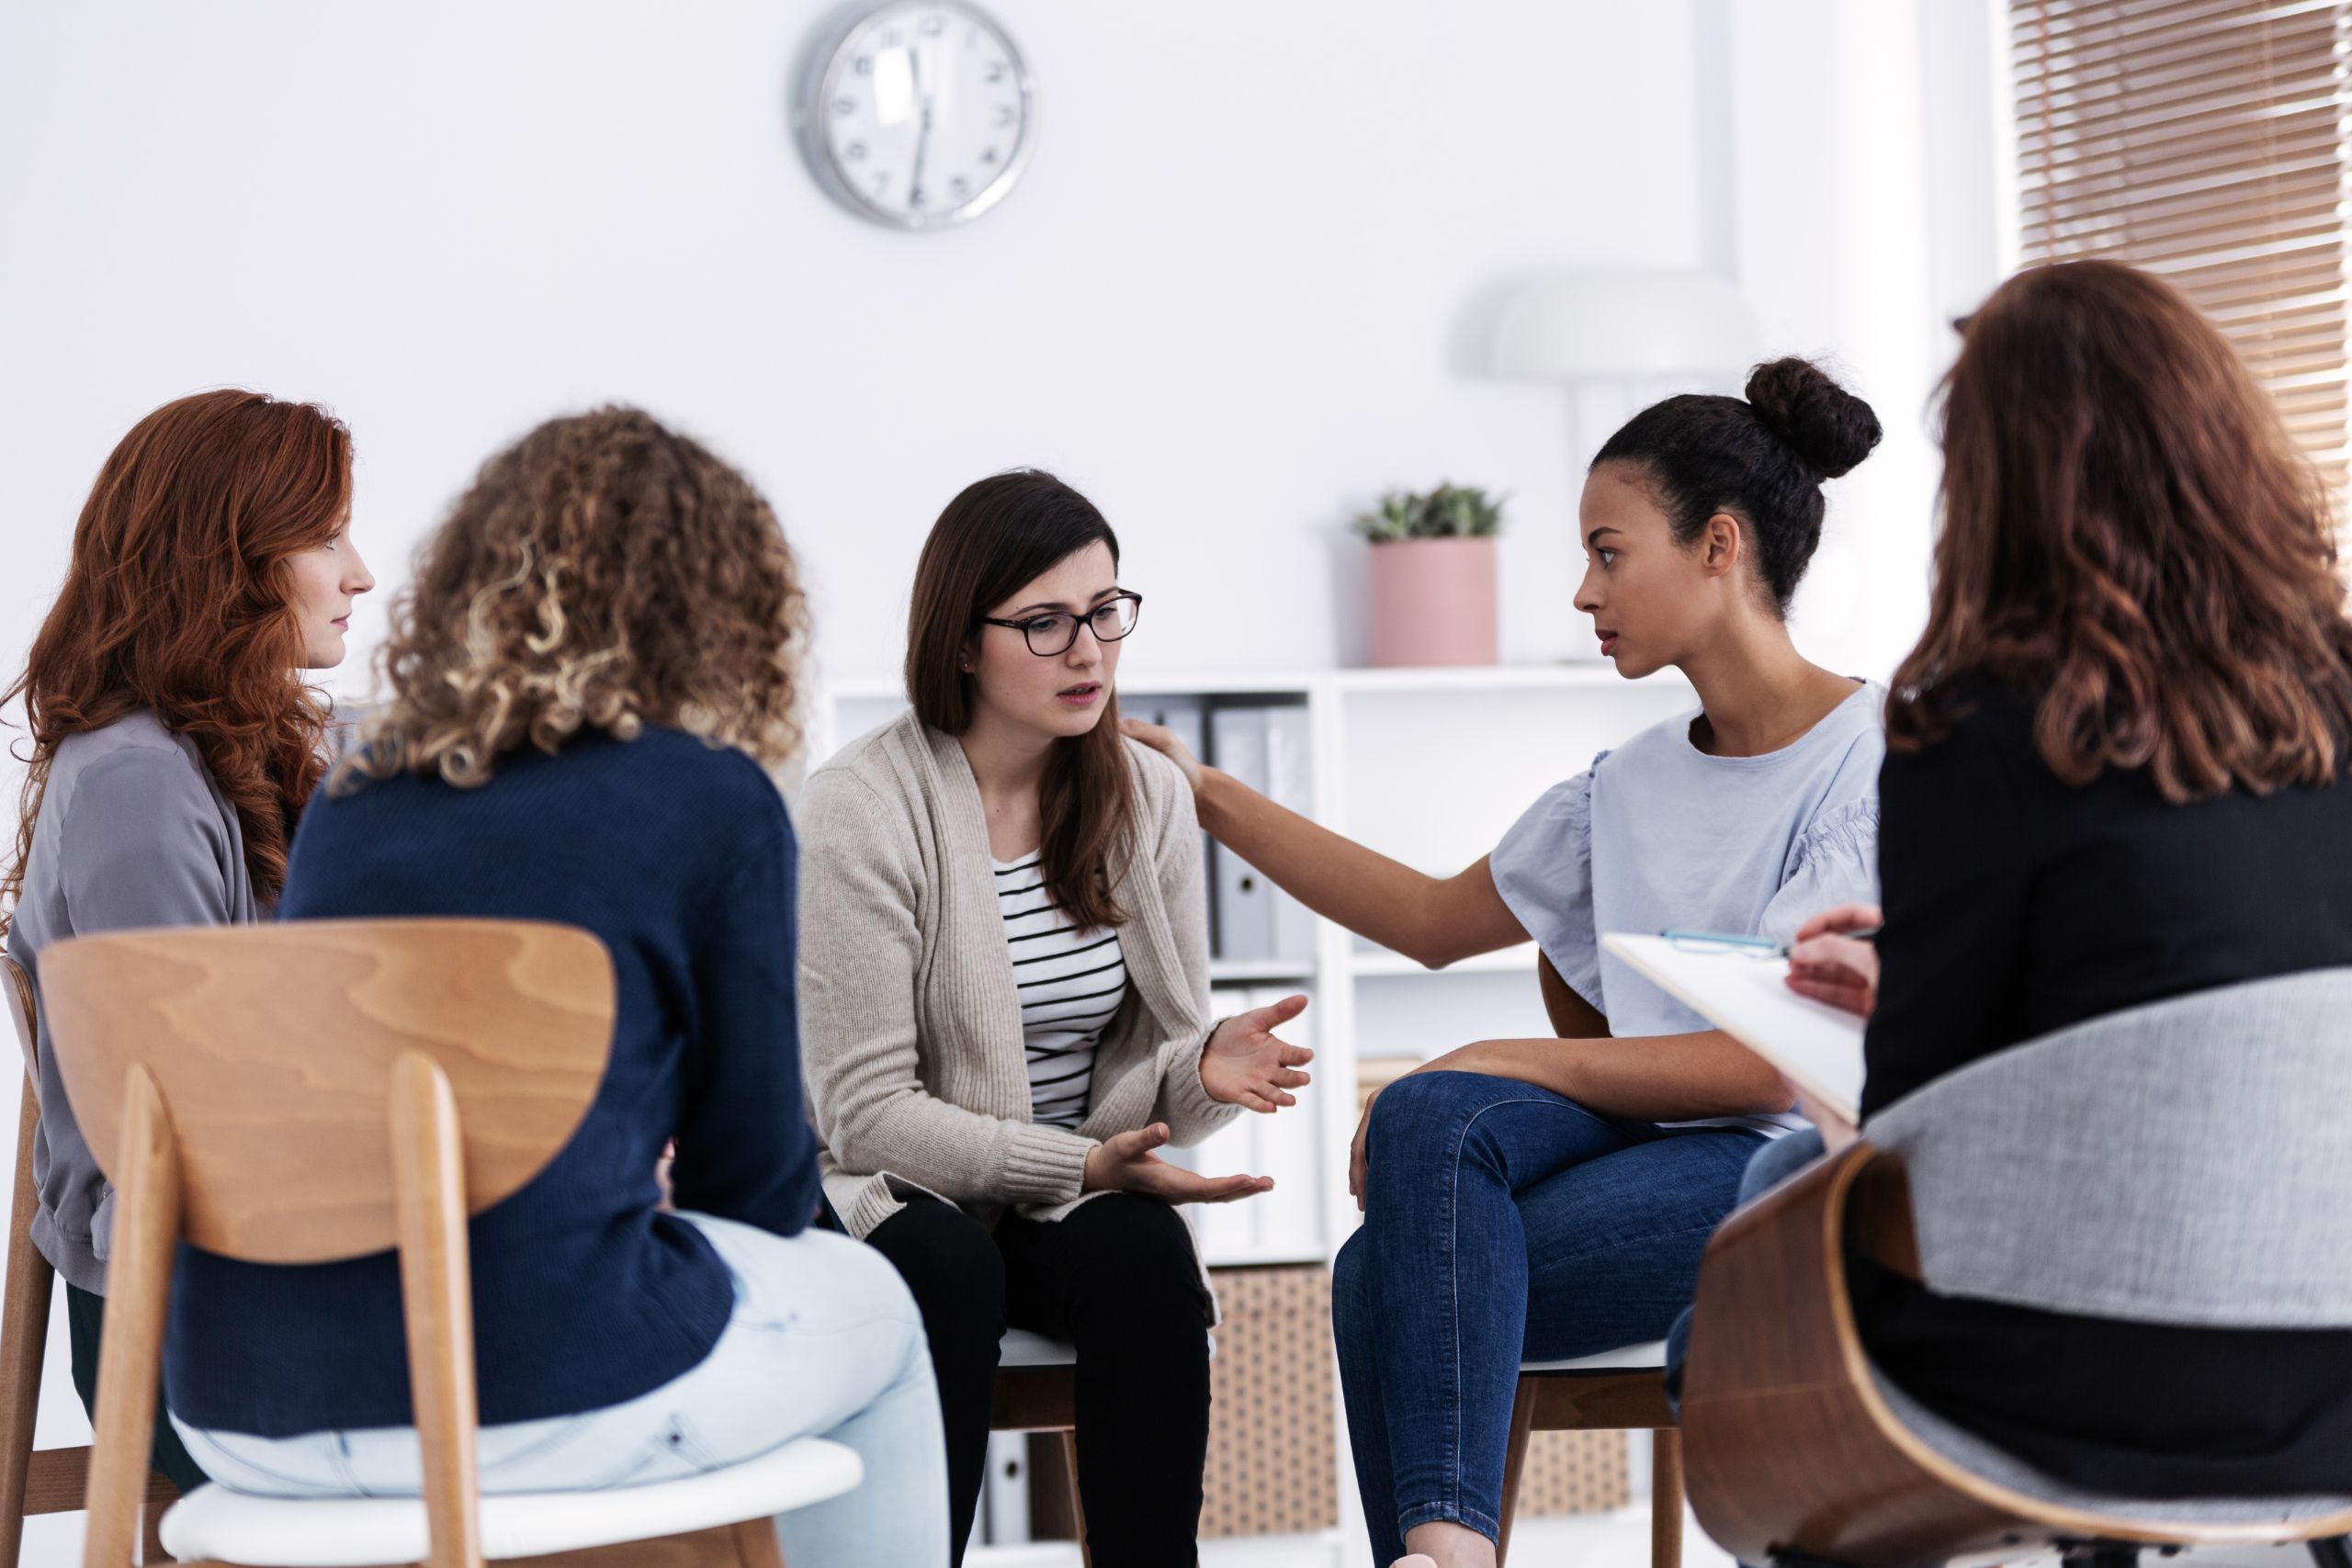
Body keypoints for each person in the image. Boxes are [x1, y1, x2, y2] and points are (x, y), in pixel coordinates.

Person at [1125, 360, 1887, 1568]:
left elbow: (1760, 1072)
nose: (1584, 591)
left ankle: (1438, 1553)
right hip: (1634, 1156)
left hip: (1786, 1177)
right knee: (1426, 1136)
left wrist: (1503, 1052)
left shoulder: (1870, 762)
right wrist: (1205, 792)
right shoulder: (1625, 784)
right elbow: (1427, 918)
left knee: (1386, 1266)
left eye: (1607, 550)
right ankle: (1453, 1549)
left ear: (1719, 546)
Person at [160, 408, 949, 1568]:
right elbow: (757, 1190)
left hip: (244, 1400)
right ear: (721, 605)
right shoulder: (712, 799)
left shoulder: (357, 792)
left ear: (478, 579)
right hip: (527, 1397)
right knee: (875, 1307)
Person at [1767, 259, 2352, 1495]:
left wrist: (1895, 1012)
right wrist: (1927, 953)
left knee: (1778, 1202)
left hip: (2081, 1380)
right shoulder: (2338, 698)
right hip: (2334, 1367)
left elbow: (1907, 1141)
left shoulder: (1977, 733)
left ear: (1998, 487)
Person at [797, 469, 1317, 1567]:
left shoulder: (1147, 795)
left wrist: (1200, 1074)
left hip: (1070, 1184)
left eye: (1103, 612)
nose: (1088, 651)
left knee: (1145, 1260)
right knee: (948, 1268)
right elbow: (866, 1116)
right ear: (959, 642)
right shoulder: (860, 809)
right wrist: (1075, 1170)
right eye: (1044, 623)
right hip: (885, 1186)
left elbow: (1147, 1066)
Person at [2, 389, 374, 1494]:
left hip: (254, 1287)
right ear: (229, 558)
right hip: (199, 1333)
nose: (361, 572)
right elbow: (198, 1123)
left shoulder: (222, 755)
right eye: (327, 535)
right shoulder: (139, 784)